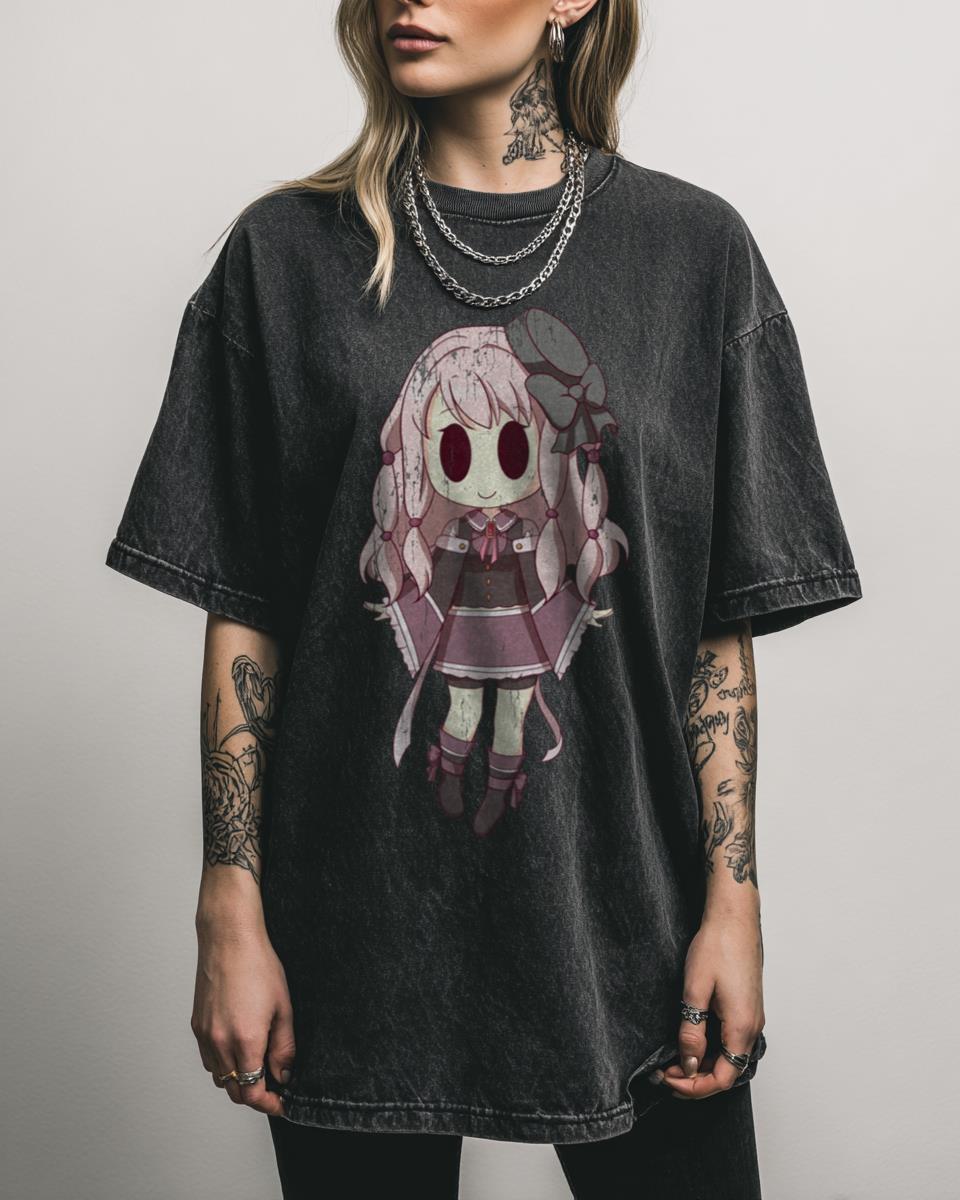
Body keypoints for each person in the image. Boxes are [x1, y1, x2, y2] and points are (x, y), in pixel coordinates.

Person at [103, 0, 863, 1196]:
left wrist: (735, 900)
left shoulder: (695, 255)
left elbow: (715, 632)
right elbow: (245, 609)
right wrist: (229, 904)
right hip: (351, 934)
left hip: (631, 926)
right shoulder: (284, 257)